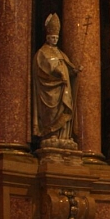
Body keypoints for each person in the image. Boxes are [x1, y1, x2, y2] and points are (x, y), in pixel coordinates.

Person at [32, 13, 80, 149]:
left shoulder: (60, 53)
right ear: (47, 37)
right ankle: (51, 134)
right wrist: (57, 72)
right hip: (51, 89)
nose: (54, 40)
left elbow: (68, 66)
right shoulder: (43, 52)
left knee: (65, 109)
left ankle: (63, 136)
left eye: (56, 38)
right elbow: (44, 66)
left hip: (64, 87)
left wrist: (74, 71)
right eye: (52, 37)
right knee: (52, 112)